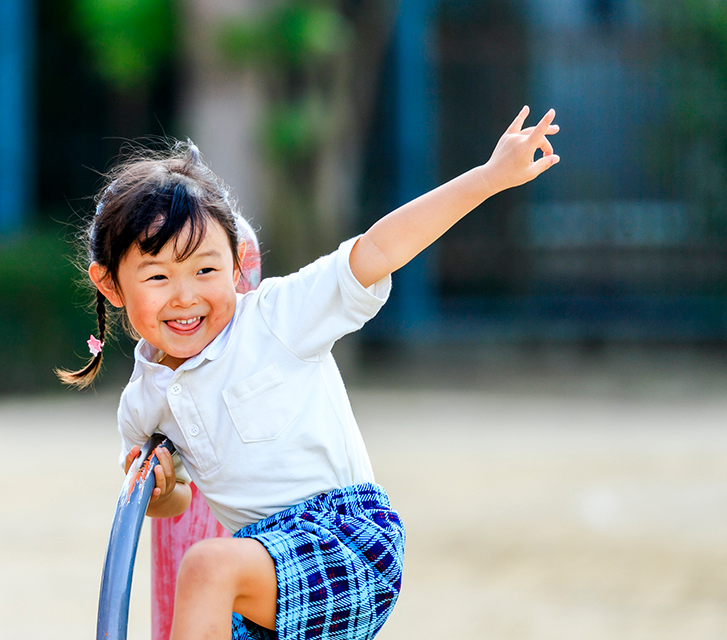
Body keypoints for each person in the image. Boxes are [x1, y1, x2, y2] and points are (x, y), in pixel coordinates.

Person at [58, 105, 560, 640]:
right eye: (157, 276)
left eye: (205, 269)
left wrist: (487, 178)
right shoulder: (142, 402)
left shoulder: (277, 319)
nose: (186, 296)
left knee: (206, 568)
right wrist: (159, 493)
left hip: (347, 540)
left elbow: (378, 249)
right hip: (262, 576)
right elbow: (175, 498)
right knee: (215, 573)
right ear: (111, 287)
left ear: (235, 264)